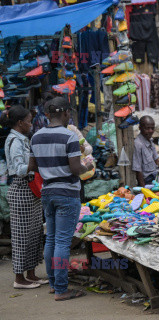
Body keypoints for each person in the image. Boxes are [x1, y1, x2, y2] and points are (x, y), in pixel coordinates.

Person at [29, 97, 94, 301]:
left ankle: (53, 282)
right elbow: (76, 168)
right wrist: (88, 168)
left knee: (52, 239)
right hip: (67, 193)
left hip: (47, 192)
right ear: (66, 113)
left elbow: (33, 167)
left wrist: (51, 169)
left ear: (48, 114)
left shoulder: (36, 136)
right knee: (63, 242)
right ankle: (61, 289)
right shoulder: (69, 136)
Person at [2, 105, 48, 289]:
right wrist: (33, 162)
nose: (31, 124)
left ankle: (31, 274)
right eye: (28, 121)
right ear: (20, 123)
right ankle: (19, 278)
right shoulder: (14, 141)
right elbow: (18, 169)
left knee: (34, 234)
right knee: (22, 236)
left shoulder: (22, 138)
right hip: (21, 190)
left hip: (30, 191)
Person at [133, 116, 159, 186]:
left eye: (152, 128)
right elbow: (138, 169)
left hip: (156, 174)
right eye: (147, 128)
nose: (151, 131)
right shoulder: (138, 144)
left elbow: (157, 162)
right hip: (149, 178)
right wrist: (143, 189)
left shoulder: (150, 141)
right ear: (140, 128)